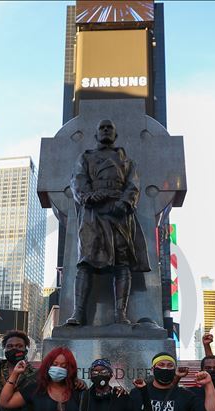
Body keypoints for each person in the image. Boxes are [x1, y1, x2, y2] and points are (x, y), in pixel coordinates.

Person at [64, 119, 150, 326]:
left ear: (115, 134)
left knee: (122, 263)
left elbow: (133, 185)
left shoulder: (127, 161)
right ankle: (78, 313)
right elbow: (77, 179)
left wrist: (124, 203)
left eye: (109, 127)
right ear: (96, 134)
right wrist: (87, 197)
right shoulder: (85, 157)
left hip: (119, 214)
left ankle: (120, 314)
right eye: (101, 127)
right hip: (93, 213)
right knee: (85, 262)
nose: (105, 130)